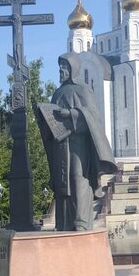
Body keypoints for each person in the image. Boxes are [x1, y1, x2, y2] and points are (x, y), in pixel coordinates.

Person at [35, 53, 117, 231]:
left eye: (65, 67)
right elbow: (51, 120)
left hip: (79, 146)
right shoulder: (58, 93)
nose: (61, 70)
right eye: (60, 67)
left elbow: (93, 117)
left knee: (77, 179)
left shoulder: (83, 90)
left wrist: (71, 114)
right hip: (61, 147)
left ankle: (80, 223)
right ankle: (64, 223)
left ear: (73, 69)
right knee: (62, 183)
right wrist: (43, 115)